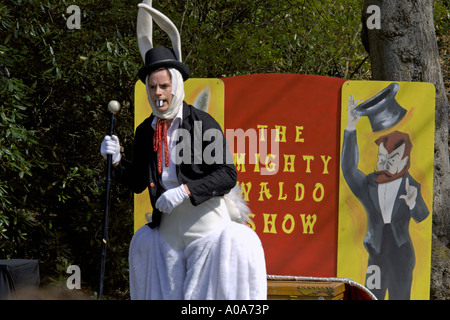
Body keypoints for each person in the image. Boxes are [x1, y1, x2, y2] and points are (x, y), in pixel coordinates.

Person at [100, 45, 267, 300]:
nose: (158, 93)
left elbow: (226, 174)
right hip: (167, 232)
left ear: (176, 86)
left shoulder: (202, 123)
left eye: (164, 86)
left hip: (206, 230)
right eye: (153, 87)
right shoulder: (146, 131)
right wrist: (115, 162)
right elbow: (137, 182)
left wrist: (185, 191)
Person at [340, 95, 429, 299]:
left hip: (401, 254)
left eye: (392, 158)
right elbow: (348, 168)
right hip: (376, 253)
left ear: (405, 159)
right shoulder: (369, 183)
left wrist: (413, 202)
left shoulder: (410, 184)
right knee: (371, 296)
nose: (385, 163)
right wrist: (351, 127)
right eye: (382, 158)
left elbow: (422, 215)